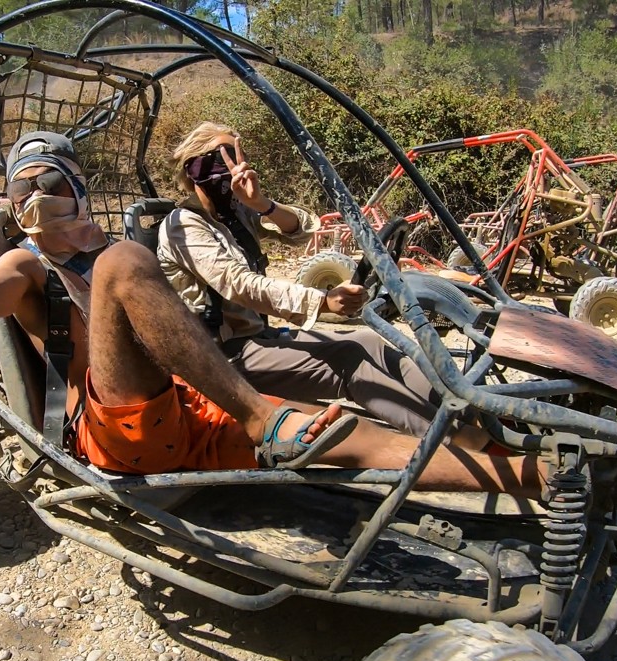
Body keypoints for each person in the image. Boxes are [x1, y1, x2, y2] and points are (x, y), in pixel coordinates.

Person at [0, 131, 543, 496]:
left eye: (52, 177)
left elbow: (289, 234)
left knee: (342, 432)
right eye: (29, 184)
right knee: (120, 264)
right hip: (111, 434)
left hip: (190, 409)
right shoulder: (26, 265)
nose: (42, 192)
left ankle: (530, 477)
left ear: (78, 187)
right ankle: (264, 415)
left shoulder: (121, 245)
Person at [159, 122, 439, 437]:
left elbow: (302, 228)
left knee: (370, 343)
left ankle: (464, 414)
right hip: (223, 357)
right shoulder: (183, 226)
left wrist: (261, 204)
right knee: (350, 361)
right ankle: (451, 441)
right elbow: (238, 285)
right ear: (199, 167)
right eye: (229, 157)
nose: (240, 166)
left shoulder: (233, 214)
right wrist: (322, 301)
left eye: (241, 156)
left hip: (257, 337)